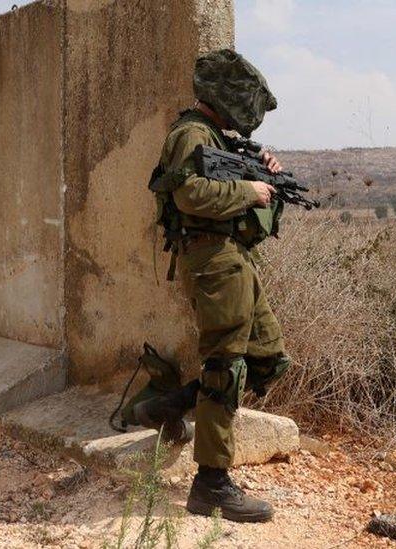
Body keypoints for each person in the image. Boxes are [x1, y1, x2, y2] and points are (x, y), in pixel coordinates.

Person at [133, 49, 291, 524]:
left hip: (234, 258)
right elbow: (190, 193)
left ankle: (173, 404)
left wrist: (264, 174)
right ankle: (211, 484)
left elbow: (230, 188)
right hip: (213, 260)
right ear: (225, 98)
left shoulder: (216, 138)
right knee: (226, 365)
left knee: (268, 358)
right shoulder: (190, 134)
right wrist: (250, 191)